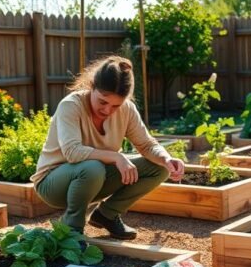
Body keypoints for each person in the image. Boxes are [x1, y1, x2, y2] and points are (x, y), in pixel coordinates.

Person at [31, 56, 185, 240]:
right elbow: (72, 153)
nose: (107, 110)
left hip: (94, 178)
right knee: (92, 167)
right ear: (92, 86)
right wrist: (116, 157)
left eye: (116, 105)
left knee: (158, 167)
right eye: (103, 102)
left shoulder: (126, 110)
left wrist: (166, 158)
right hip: (53, 183)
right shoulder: (71, 106)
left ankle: (107, 215)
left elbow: (146, 144)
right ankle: (71, 228)